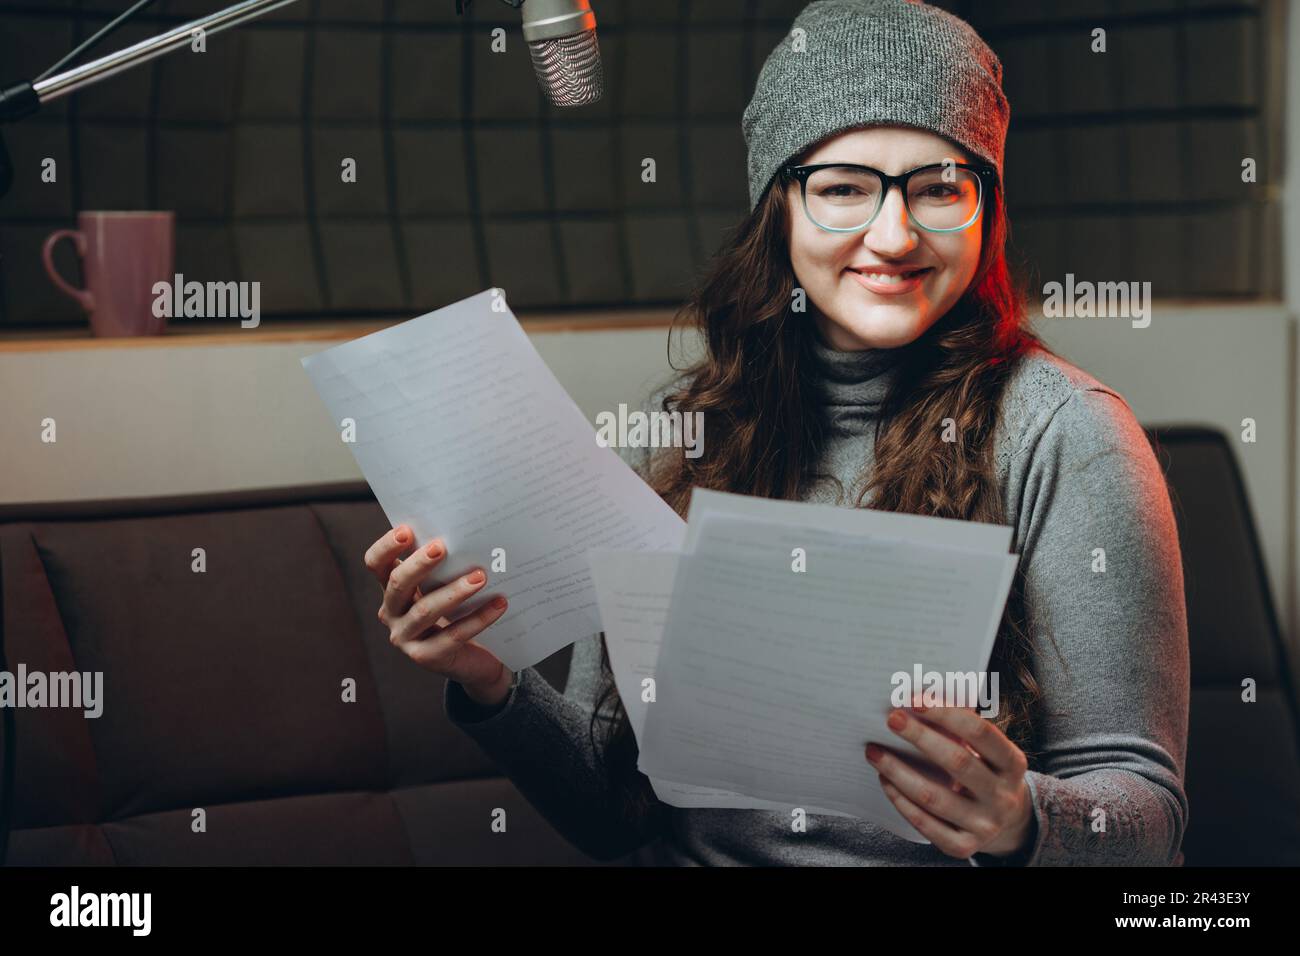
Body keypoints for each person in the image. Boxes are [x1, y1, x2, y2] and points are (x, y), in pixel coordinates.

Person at [364, 0, 1189, 866]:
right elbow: (617, 813)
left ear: (985, 208)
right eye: (843, 189)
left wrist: (1025, 819)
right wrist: (491, 682)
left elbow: (1146, 809)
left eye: (940, 187)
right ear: (779, 209)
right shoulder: (694, 433)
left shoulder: (1069, 433)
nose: (894, 233)